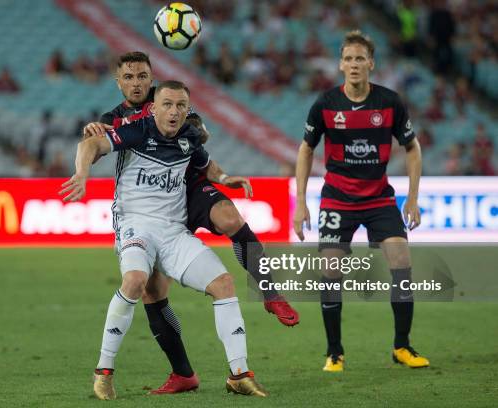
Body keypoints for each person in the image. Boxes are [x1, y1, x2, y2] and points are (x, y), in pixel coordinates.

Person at [83, 51, 298, 394]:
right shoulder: (120, 121)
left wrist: (223, 173)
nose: (136, 82)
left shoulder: (180, 114)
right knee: (150, 289)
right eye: (129, 77)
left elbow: (201, 147)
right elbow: (94, 142)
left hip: (187, 187)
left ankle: (266, 296)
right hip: (146, 214)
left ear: (152, 80)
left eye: (143, 76)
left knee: (230, 221)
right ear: (119, 82)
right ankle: (178, 373)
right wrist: (85, 161)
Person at [294, 30, 429, 372]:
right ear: (340, 65)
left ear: (371, 63)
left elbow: (412, 148)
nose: (354, 64)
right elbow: (306, 148)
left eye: (360, 58)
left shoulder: (389, 102)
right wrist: (300, 202)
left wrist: (412, 199)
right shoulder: (326, 104)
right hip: (338, 199)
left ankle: (402, 346)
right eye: (348, 59)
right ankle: (334, 352)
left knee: (401, 261)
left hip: (379, 198)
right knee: (331, 269)